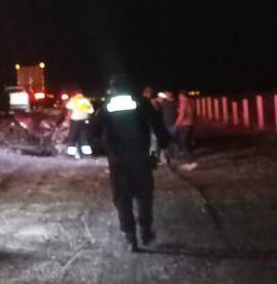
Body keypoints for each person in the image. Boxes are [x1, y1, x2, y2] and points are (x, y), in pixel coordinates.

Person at [89, 74, 171, 252]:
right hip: (140, 157)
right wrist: (164, 143)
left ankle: (130, 236)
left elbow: (93, 129)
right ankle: (146, 232)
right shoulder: (141, 101)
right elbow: (157, 124)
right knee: (144, 196)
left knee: (122, 198)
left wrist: (100, 148)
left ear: (113, 87)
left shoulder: (108, 104)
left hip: (118, 160)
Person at [64, 89, 94, 158]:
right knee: (84, 138)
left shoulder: (73, 100)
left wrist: (67, 120)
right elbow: (91, 111)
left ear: (75, 93)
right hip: (84, 121)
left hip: (75, 121)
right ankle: (87, 154)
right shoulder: (86, 100)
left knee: (72, 138)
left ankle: (71, 154)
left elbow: (69, 110)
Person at [173, 91, 197, 171]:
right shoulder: (192, 101)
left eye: (179, 96)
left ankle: (191, 162)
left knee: (183, 143)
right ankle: (191, 160)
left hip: (184, 125)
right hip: (190, 124)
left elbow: (182, 114)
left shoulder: (183, 101)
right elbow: (193, 112)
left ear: (181, 95)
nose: (179, 98)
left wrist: (177, 124)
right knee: (187, 142)